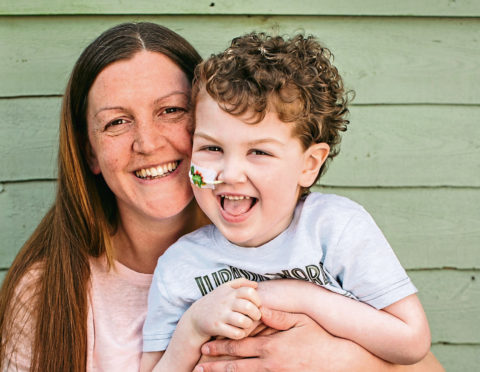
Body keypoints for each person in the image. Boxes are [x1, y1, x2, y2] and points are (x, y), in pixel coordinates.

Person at [0, 22, 444, 372]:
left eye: (171, 110)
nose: (148, 143)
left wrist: (342, 360)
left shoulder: (328, 231)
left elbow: (413, 348)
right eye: (117, 122)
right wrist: (192, 330)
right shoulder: (52, 293)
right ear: (90, 152)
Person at [141, 32, 432, 372]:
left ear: (309, 164)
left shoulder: (335, 230)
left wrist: (299, 297)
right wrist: (192, 327)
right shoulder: (179, 266)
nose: (231, 173)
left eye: (259, 151)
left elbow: (411, 341)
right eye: (212, 148)